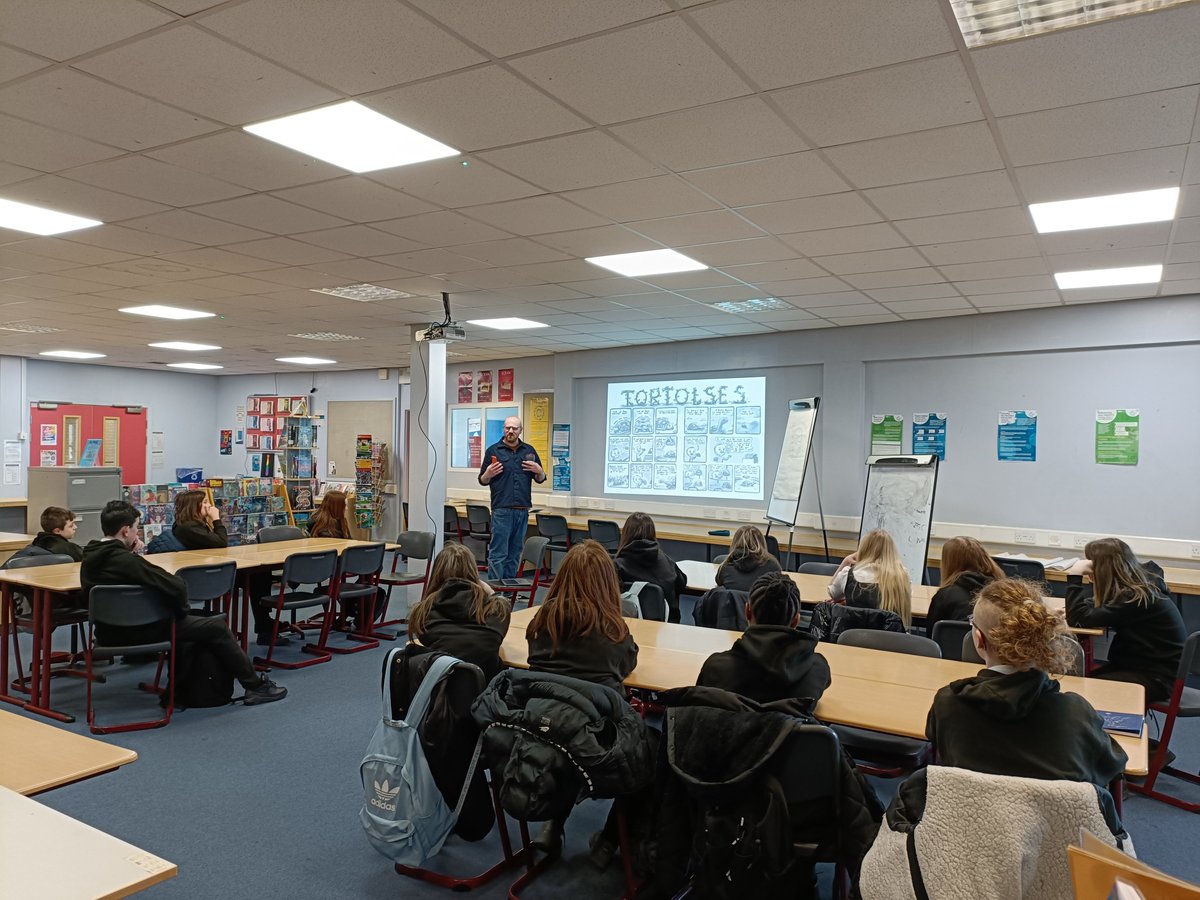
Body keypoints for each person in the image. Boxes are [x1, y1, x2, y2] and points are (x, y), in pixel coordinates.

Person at [80, 500, 286, 705]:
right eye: (135, 529)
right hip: (138, 631)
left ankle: (183, 688)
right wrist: (180, 611)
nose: (137, 534)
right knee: (216, 626)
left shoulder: (90, 558)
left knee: (200, 622)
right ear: (126, 531)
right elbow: (175, 585)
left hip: (107, 632)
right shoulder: (125, 561)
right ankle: (256, 686)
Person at [926, 578, 1126, 786]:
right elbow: (1112, 765)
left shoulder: (948, 702)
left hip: (973, 814)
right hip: (1048, 818)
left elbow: (938, 747)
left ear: (979, 638)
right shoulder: (1076, 713)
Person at [526, 539, 640, 857]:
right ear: (607, 583)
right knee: (653, 747)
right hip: (597, 750)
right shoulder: (613, 633)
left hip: (541, 735)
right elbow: (628, 664)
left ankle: (553, 824)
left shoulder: (539, 625)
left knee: (569, 718)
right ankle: (610, 840)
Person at [1065, 538, 1186, 705]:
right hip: (1144, 667)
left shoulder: (1134, 598)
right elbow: (1097, 605)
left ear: (1102, 569)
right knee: (1080, 683)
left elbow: (1078, 620)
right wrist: (1077, 607)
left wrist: (1074, 575)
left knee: (1082, 691)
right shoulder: (1139, 587)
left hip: (1157, 678)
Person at [697, 571, 830, 707]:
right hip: (784, 728)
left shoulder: (714, 668)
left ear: (747, 611)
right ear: (796, 621)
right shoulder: (816, 670)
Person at [407, 543, 511, 681]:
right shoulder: (497, 610)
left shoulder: (421, 612)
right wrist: (490, 592)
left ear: (436, 574)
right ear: (474, 573)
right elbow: (499, 628)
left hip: (439, 689)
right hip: (485, 694)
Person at [478, 416, 545, 580]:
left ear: (520, 431)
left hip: (522, 510)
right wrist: (488, 474)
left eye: (514, 428)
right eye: (508, 428)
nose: (510, 431)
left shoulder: (529, 451)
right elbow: (482, 480)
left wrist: (539, 470)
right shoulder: (493, 451)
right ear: (503, 430)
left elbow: (540, 478)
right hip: (502, 510)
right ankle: (494, 593)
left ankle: (508, 592)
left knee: (514, 553)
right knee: (498, 553)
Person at [827, 529, 912, 628]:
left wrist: (845, 562)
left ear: (863, 549)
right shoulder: (903, 577)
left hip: (853, 636)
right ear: (892, 552)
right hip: (891, 638)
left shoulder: (848, 574)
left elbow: (833, 593)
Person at [612, 512, 688, 623]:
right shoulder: (665, 560)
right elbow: (682, 583)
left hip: (630, 624)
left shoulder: (617, 566)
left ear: (625, 534)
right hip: (667, 625)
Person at [926, 536, 1005, 632]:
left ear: (948, 564)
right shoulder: (1002, 592)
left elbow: (931, 633)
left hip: (951, 646)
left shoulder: (945, 595)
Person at [714, 524, 781, 593]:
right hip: (760, 603)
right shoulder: (773, 566)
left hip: (734, 603)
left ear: (734, 543)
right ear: (762, 543)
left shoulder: (725, 568)